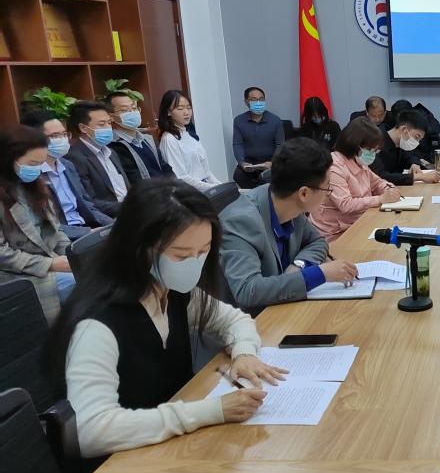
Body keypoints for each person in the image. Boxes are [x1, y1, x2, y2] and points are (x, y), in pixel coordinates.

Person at [47, 179, 286, 458]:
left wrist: (244, 353)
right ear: (140, 249)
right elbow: (92, 431)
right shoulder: (97, 323)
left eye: (204, 251)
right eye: (182, 256)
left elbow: (234, 320)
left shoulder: (170, 289)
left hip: (171, 444)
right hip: (122, 462)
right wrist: (211, 411)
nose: (195, 263)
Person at [220, 138, 358, 312]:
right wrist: (319, 274)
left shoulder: (289, 204)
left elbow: (317, 241)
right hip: (255, 319)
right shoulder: (242, 220)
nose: (327, 195)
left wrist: (299, 265)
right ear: (304, 193)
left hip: (284, 307)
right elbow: (248, 290)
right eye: (327, 188)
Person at [0, 127, 75, 323]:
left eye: (41, 163)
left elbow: (56, 230)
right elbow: (2, 254)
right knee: (80, 284)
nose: (38, 170)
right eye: (32, 164)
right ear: (9, 159)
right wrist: (50, 264)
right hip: (16, 273)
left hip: (52, 262)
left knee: (97, 273)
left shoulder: (34, 186)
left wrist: (72, 255)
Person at [20, 107, 112, 240]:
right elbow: (45, 225)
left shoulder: (67, 165)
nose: (63, 139)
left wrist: (111, 225)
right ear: (34, 139)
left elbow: (87, 205)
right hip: (63, 237)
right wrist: (87, 233)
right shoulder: (30, 174)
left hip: (88, 228)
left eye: (64, 134)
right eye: (55, 136)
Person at [310, 118, 401, 242]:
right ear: (355, 145)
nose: (373, 154)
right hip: (334, 233)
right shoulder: (334, 167)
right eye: (370, 150)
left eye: (375, 150)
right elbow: (345, 204)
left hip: (358, 223)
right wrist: (380, 199)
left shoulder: (358, 161)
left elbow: (377, 183)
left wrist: (389, 189)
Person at [65, 100, 129, 218]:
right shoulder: (75, 157)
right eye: (101, 124)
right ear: (83, 128)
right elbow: (89, 202)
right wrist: (128, 207)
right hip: (110, 218)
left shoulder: (111, 152)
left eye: (109, 123)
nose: (108, 128)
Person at [157, 90, 221, 193]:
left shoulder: (189, 134)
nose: (186, 112)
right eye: (180, 108)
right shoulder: (169, 139)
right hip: (190, 193)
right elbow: (181, 177)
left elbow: (206, 171)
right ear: (168, 112)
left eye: (189, 107)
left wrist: (220, 186)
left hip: (205, 189)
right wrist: (211, 188)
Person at [106, 91, 173, 184]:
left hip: (166, 189)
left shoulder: (147, 139)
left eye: (134, 108)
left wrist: (174, 186)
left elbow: (165, 167)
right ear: (111, 116)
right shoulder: (114, 146)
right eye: (124, 110)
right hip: (148, 191)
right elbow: (134, 179)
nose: (132, 112)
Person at [370, 108, 440, 186]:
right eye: (417, 137)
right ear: (404, 130)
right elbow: (380, 176)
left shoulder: (400, 142)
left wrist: (414, 164)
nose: (417, 143)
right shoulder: (375, 143)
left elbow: (410, 155)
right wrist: (418, 177)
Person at [231, 86, 284, 189]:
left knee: (273, 178)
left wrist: (273, 162)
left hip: (270, 163)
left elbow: (280, 145)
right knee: (238, 176)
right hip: (249, 163)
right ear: (246, 102)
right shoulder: (239, 121)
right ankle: (252, 197)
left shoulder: (275, 121)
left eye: (261, 99)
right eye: (254, 100)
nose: (258, 102)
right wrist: (242, 162)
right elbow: (237, 144)